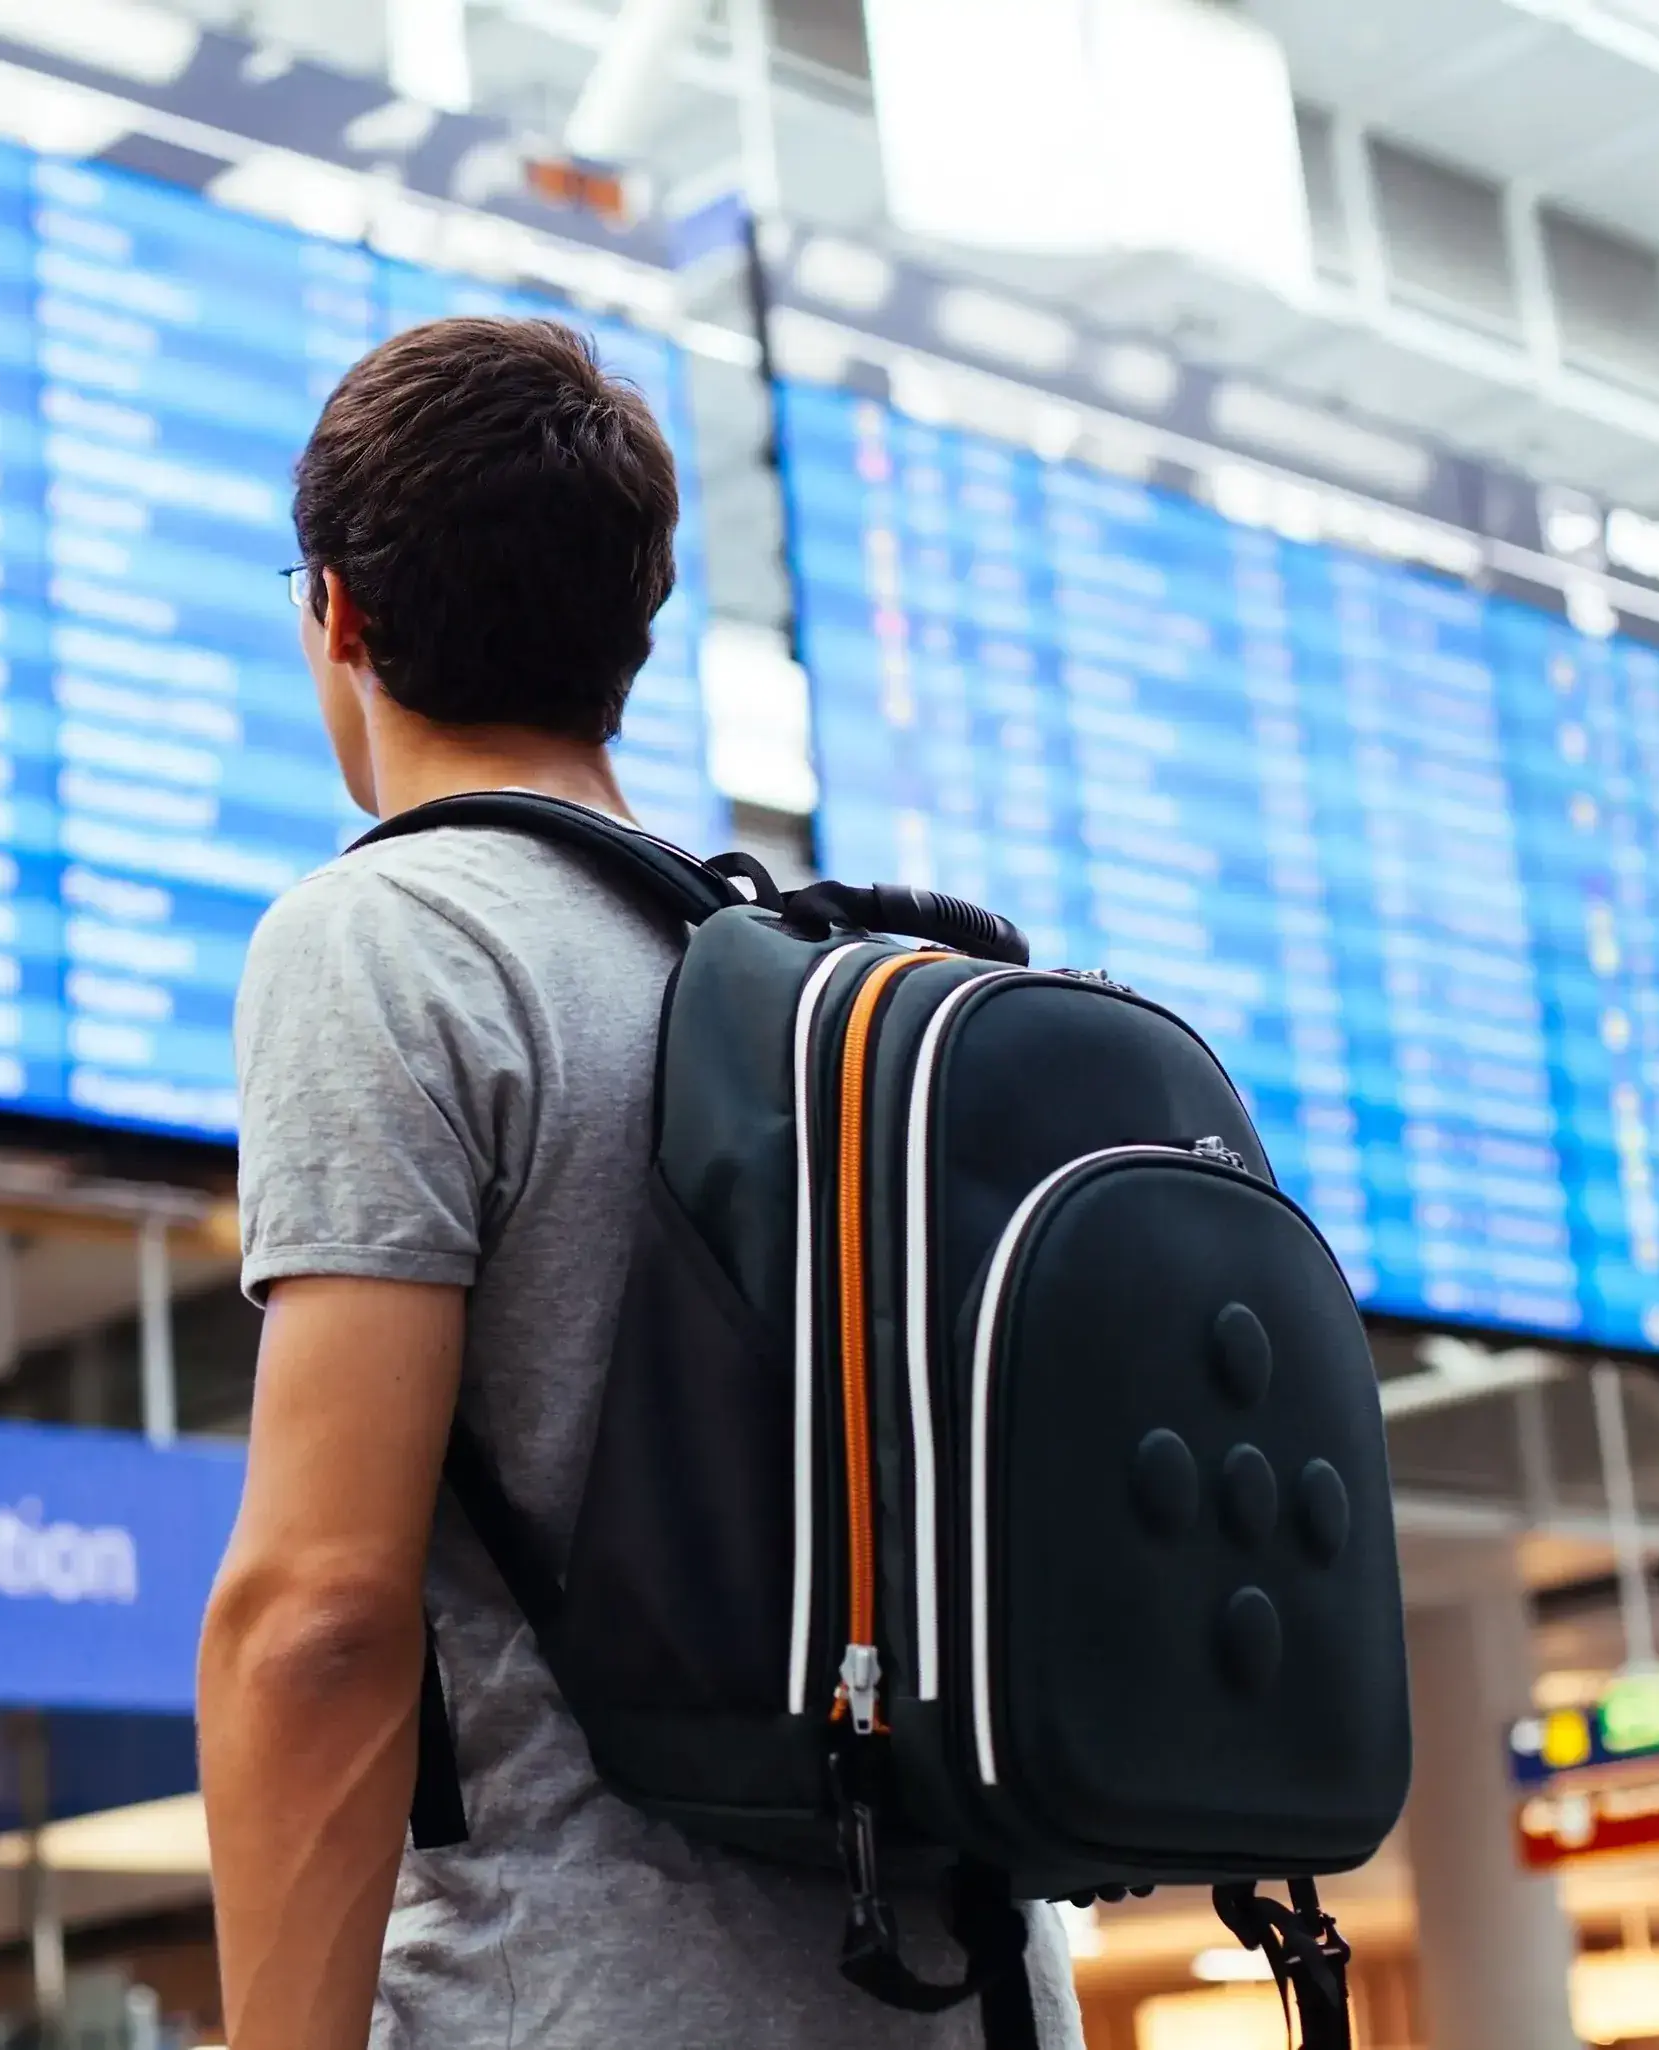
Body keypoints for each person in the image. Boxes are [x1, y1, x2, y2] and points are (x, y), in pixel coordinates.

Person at [198, 317, 1086, 2049]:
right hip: (971, 2000)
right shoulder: (816, 997)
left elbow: (314, 1612)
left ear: (338, 618)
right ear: (637, 641)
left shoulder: (392, 936)